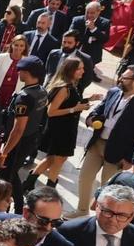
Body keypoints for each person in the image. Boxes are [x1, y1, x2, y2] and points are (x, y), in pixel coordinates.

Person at [75, 66, 134, 214]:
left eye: (125, 78)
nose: (120, 79)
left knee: (108, 188)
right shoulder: (113, 92)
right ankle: (81, 210)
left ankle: (100, 216)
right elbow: (100, 109)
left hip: (118, 152)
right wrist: (91, 118)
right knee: (85, 178)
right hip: (97, 143)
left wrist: (130, 158)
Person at [30, 56, 96, 189]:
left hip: (67, 128)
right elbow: (51, 111)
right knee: (59, 160)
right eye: (79, 69)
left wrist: (87, 100)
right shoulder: (63, 88)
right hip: (60, 130)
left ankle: (29, 182)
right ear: (71, 70)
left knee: (52, 159)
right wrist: (75, 109)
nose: (83, 71)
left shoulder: (72, 85)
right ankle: (49, 188)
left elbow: (69, 103)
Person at [0, 56, 47, 212]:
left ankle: (5, 211)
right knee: (13, 174)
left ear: (28, 72)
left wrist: (5, 152)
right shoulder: (42, 91)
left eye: (21, 70)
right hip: (30, 139)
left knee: (5, 179)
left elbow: (18, 129)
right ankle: (20, 208)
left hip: (18, 144)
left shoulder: (24, 97)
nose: (18, 72)